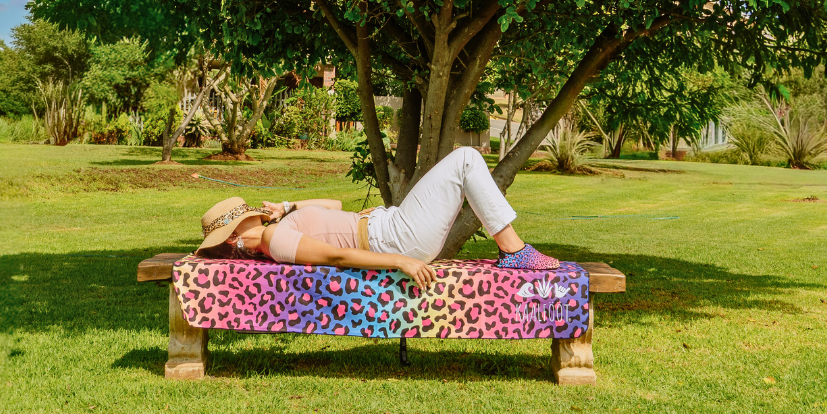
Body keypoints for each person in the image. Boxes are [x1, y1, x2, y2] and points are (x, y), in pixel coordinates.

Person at [195, 146, 558, 288]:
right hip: (395, 239)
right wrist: (401, 261)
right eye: (239, 216)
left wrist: (288, 207)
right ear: (233, 238)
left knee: (465, 161)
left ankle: (514, 251)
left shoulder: (278, 228)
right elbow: (337, 256)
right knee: (465, 160)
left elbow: (334, 206)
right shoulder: (274, 241)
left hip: (394, 226)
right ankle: (515, 252)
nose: (250, 212)